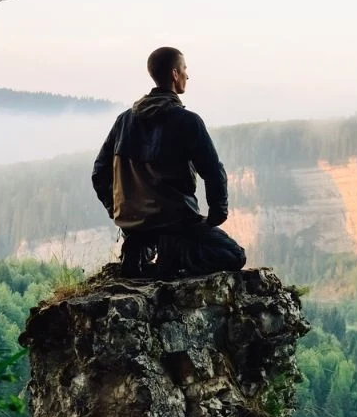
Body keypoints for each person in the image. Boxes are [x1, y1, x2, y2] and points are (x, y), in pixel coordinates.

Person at [91, 47, 246, 279]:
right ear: (175, 74)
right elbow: (214, 172)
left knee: (146, 237)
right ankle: (174, 254)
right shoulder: (187, 121)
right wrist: (216, 216)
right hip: (175, 221)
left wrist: (118, 212)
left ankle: (139, 248)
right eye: (184, 69)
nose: (187, 75)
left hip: (135, 225)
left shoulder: (124, 120)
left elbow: (99, 172)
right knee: (234, 255)